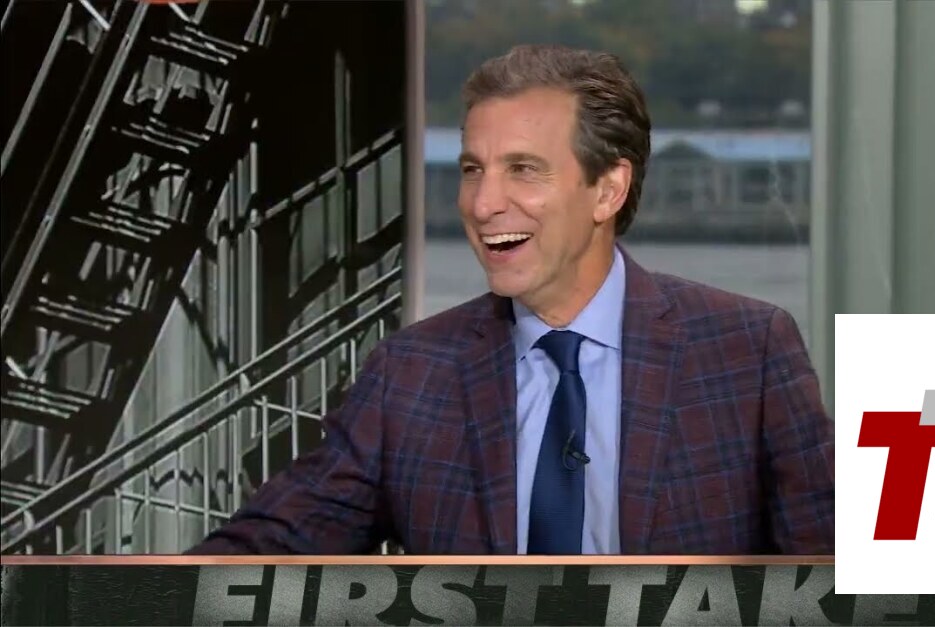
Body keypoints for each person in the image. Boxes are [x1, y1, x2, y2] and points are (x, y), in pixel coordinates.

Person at [187, 44, 834, 555]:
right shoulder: (409, 372)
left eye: (522, 169)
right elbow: (278, 540)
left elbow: (836, 575)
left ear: (607, 190)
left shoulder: (747, 351)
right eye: (473, 169)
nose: (481, 203)